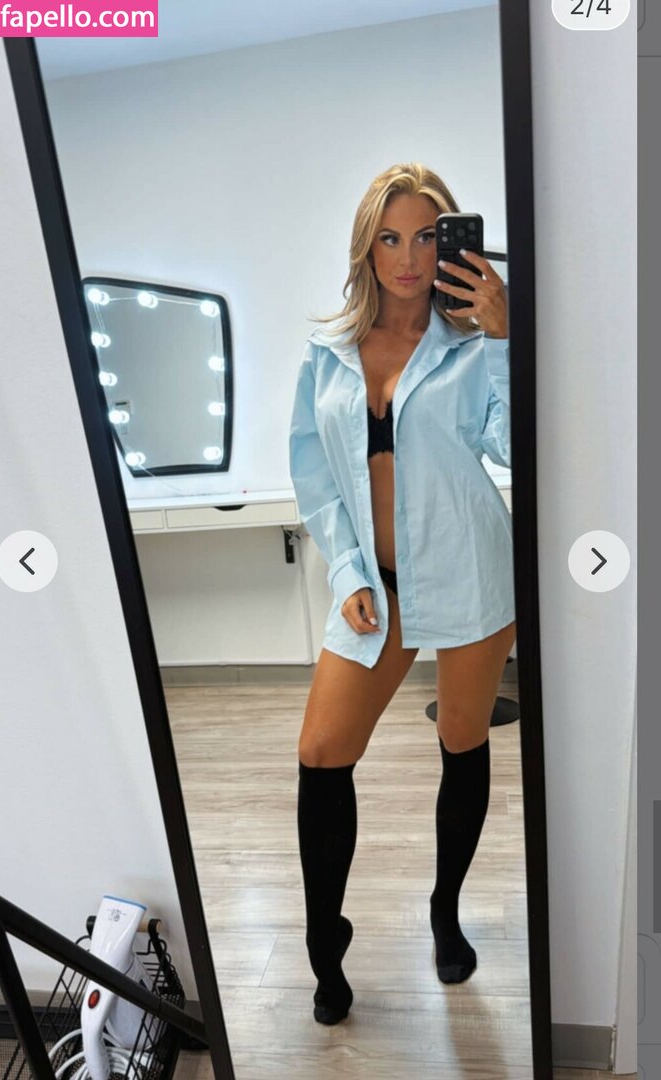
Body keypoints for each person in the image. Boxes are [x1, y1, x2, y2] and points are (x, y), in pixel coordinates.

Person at [288, 163, 516, 1025]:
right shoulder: (327, 355)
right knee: (320, 752)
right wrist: (347, 570)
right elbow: (314, 473)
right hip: (372, 590)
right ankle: (323, 939)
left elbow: (512, 449)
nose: (410, 257)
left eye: (427, 236)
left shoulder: (471, 346)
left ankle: (445, 909)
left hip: (467, 574)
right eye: (390, 238)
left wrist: (502, 337)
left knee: (461, 740)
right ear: (366, 249)